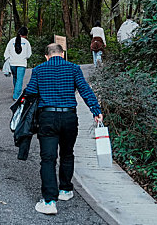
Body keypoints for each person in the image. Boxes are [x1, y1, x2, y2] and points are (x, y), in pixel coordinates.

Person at [24, 43, 103, 215]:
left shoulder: (38, 70)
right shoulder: (74, 68)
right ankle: (65, 190)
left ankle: (49, 201)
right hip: (69, 118)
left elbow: (29, 93)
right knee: (67, 153)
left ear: (47, 56)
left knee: (48, 159)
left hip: (47, 117)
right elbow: (85, 90)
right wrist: (96, 111)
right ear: (62, 54)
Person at [4, 26, 32, 101]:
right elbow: (29, 54)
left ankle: (16, 91)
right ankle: (16, 96)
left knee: (15, 77)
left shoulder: (11, 41)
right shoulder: (26, 42)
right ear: (25, 34)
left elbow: (6, 52)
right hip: (22, 63)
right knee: (20, 79)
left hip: (12, 63)